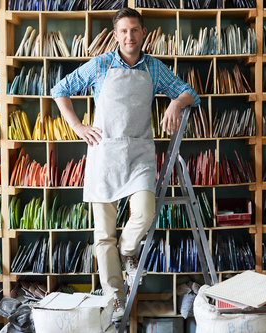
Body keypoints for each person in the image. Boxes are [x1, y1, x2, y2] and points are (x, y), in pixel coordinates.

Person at [51, 7, 200, 322]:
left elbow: (191, 93)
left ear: (143, 33)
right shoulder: (101, 64)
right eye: (123, 31)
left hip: (140, 155)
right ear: (115, 35)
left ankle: (128, 250)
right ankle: (115, 299)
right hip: (104, 154)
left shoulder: (155, 68)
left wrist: (175, 101)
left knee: (145, 212)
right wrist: (78, 127)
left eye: (134, 30)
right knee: (103, 234)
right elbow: (60, 90)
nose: (129, 36)